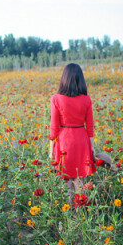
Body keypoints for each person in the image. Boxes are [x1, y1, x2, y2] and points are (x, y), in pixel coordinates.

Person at [49, 63, 96, 196]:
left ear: (64, 78)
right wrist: (91, 147)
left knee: (66, 178)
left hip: (65, 141)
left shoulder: (56, 98)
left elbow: (54, 127)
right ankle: (79, 211)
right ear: (80, 79)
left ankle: (68, 210)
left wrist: (51, 149)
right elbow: (90, 126)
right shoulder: (86, 99)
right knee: (79, 178)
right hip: (81, 141)